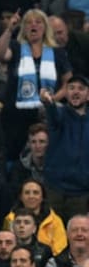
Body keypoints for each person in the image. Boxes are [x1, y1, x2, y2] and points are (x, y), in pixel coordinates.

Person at [0, 8, 73, 161]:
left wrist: (52, 100)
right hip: (15, 114)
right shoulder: (16, 48)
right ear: (23, 28)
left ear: (45, 27)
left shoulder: (57, 52)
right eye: (28, 22)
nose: (33, 25)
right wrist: (10, 29)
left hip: (45, 113)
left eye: (38, 22)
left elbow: (68, 82)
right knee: (13, 155)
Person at [40, 74, 89, 221]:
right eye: (71, 88)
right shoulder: (59, 114)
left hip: (82, 192)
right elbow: (52, 112)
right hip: (54, 189)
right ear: (66, 93)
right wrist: (48, 102)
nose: (76, 91)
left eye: (81, 88)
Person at [3, 179, 67, 257]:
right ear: (20, 197)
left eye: (36, 193)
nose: (31, 196)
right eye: (27, 193)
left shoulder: (55, 221)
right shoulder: (10, 220)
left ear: (42, 197)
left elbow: (60, 250)